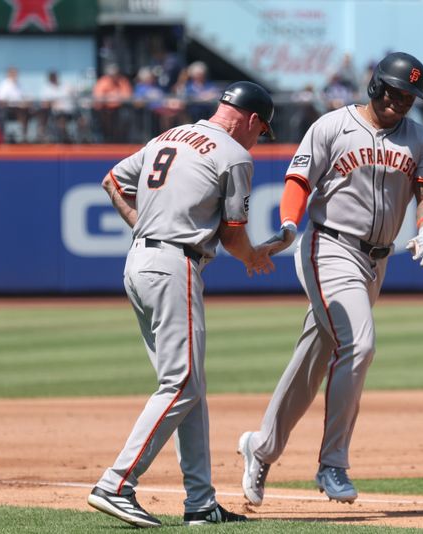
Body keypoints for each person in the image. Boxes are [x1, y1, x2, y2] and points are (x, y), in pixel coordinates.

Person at [237, 51, 423, 506]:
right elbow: (298, 181)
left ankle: (261, 447)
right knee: (360, 344)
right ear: (375, 86)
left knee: (315, 359)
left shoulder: (421, 140)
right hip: (328, 246)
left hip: (376, 262)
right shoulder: (333, 126)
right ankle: (333, 463)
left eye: (410, 96)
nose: (401, 102)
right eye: (395, 92)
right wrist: (290, 225)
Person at [88, 81, 277, 528]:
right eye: (262, 129)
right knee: (183, 384)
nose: (259, 138)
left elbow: (112, 179)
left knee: (189, 388)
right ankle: (116, 483)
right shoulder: (234, 154)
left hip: (139, 262)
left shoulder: (167, 136)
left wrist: (142, 226)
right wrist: (256, 256)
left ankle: (200, 503)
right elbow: (232, 235)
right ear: (251, 119)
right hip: (174, 265)